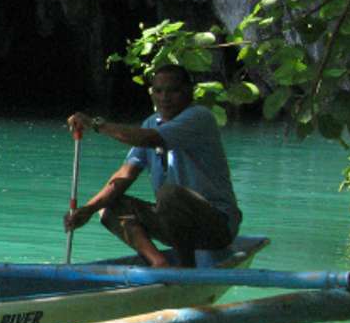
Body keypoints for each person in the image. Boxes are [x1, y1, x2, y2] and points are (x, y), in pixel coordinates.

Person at [64, 63, 241, 268]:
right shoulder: (151, 122)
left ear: (188, 92)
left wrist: (96, 125)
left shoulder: (199, 117)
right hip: (174, 223)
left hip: (216, 225)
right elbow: (126, 173)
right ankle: (158, 262)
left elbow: (149, 139)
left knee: (170, 195)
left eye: (173, 91)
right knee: (107, 207)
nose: (164, 97)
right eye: (158, 91)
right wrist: (88, 209)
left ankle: (186, 269)